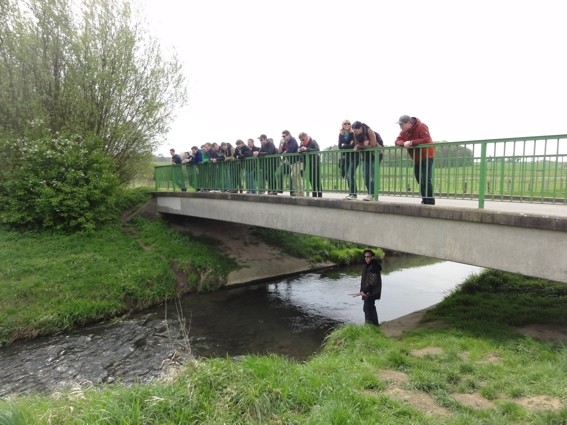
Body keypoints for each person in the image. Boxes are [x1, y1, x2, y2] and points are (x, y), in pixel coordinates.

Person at [394, 115, 435, 205]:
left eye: (401, 125)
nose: (400, 127)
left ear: (409, 123)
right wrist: (404, 143)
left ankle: (430, 202)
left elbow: (427, 139)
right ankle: (424, 200)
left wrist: (412, 142)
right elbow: (397, 141)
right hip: (416, 159)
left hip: (426, 156)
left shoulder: (421, 126)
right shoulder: (403, 132)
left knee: (426, 179)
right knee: (419, 179)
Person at [352, 121, 384, 201]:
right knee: (365, 174)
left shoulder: (369, 131)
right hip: (365, 156)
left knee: (372, 175)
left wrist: (361, 145)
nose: (354, 132)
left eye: (356, 131)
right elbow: (356, 146)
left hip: (375, 155)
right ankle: (370, 193)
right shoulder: (355, 134)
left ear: (360, 128)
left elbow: (373, 144)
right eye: (354, 131)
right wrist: (362, 145)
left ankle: (372, 194)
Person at [359, 249, 382, 326]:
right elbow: (367, 279)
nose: (366, 258)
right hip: (369, 291)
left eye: (368, 257)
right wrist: (362, 289)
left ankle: (368, 327)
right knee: (370, 307)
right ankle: (375, 325)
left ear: (372, 257)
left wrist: (365, 291)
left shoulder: (374, 266)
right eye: (365, 257)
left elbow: (373, 281)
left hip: (371, 292)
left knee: (367, 308)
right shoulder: (368, 265)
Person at [338, 120, 358, 199]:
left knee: (350, 175)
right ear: (342, 125)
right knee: (347, 175)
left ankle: (354, 194)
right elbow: (340, 146)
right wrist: (348, 144)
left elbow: (354, 144)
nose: (347, 125)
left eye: (348, 123)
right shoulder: (341, 134)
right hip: (345, 157)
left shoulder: (353, 133)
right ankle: (351, 193)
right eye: (345, 124)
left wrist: (345, 145)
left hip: (354, 157)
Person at [298, 132, 322, 197]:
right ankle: (314, 195)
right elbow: (299, 151)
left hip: (315, 163)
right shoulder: (301, 144)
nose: (302, 141)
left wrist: (307, 149)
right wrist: (300, 150)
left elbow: (317, 149)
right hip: (308, 164)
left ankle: (320, 195)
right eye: (301, 140)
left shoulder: (313, 141)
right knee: (311, 179)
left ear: (306, 136)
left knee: (317, 179)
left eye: (303, 139)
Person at [279, 130, 302, 196]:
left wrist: (285, 152)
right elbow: (280, 151)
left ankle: (298, 191)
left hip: (297, 162)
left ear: (288, 135)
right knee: (297, 177)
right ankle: (300, 192)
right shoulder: (286, 142)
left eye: (284, 136)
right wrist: (281, 143)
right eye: (282, 136)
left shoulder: (293, 140)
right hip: (292, 163)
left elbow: (290, 151)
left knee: (294, 175)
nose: (283, 137)